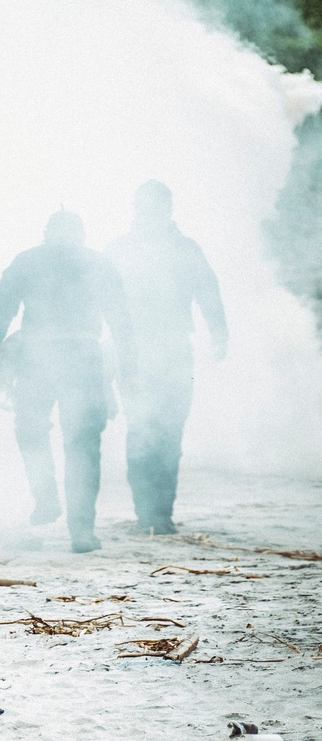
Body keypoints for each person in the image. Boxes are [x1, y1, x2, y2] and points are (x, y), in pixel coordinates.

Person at [0, 210, 135, 552]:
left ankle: (71, 520)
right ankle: (75, 525)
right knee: (74, 443)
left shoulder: (39, 262)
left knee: (65, 440)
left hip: (61, 360)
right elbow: (121, 323)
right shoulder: (90, 263)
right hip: (53, 360)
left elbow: (0, 311)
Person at [106, 181, 227, 534]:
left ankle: (162, 513)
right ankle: (147, 514)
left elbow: (209, 290)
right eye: (141, 206)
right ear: (135, 208)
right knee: (141, 430)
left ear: (168, 209)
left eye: (155, 206)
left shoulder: (186, 250)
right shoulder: (120, 250)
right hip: (132, 354)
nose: (147, 213)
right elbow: (98, 295)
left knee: (170, 436)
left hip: (175, 353)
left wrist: (220, 333)